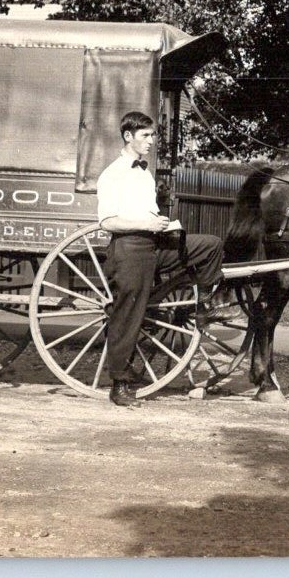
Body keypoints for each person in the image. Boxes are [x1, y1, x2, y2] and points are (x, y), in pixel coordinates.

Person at [96, 111, 236, 407]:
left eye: (153, 135)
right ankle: (120, 385)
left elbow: (143, 212)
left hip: (155, 244)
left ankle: (204, 308)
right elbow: (107, 221)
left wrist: (160, 223)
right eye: (145, 135)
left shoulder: (144, 173)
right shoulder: (113, 174)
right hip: (130, 249)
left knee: (210, 245)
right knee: (130, 314)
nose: (151, 141)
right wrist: (146, 225)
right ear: (128, 136)